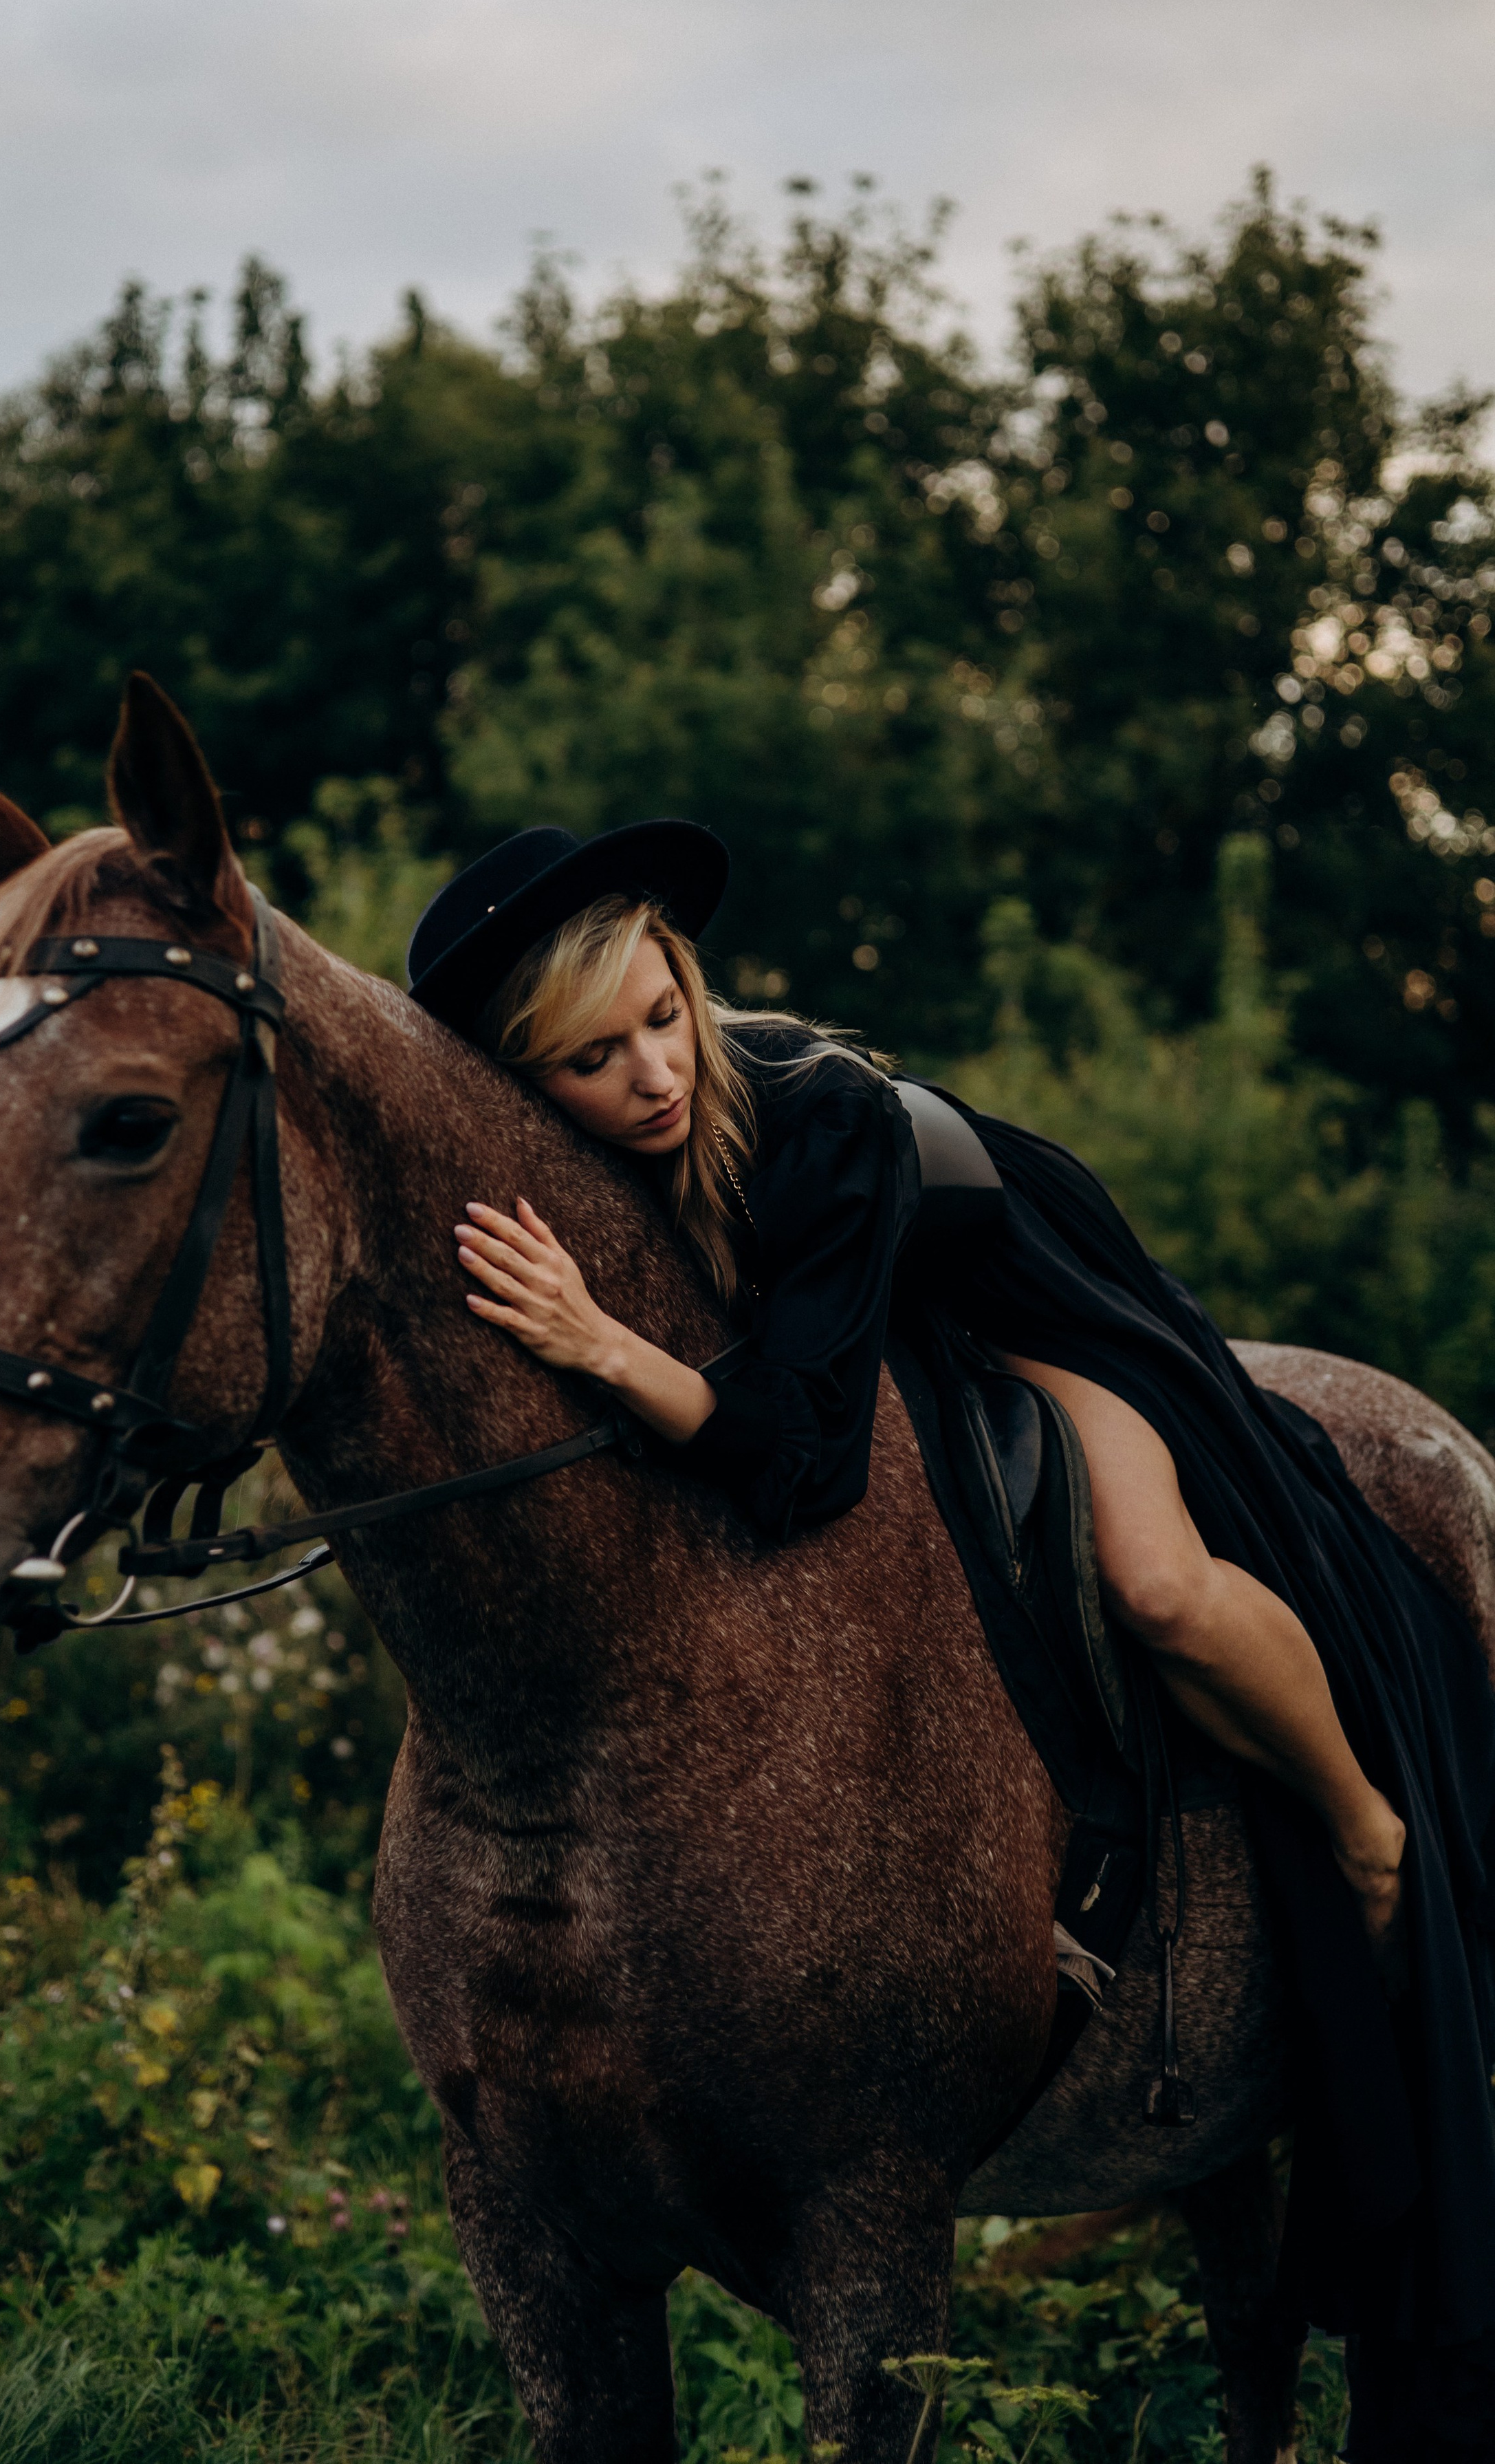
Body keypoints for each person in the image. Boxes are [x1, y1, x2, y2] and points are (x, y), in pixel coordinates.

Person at [408, 819, 1495, 2457]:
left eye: (658, 1018)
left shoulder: (813, 1119)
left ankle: (1359, 1822)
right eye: (585, 1060)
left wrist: (601, 1347)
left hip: (1021, 1315)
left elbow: (795, 1451)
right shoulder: (568, 1163)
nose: (644, 1076)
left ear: (685, 981)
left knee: (1153, 1582)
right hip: (847, 1347)